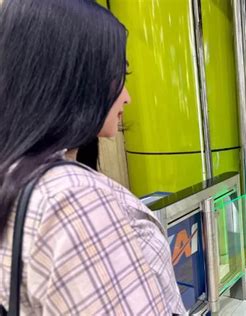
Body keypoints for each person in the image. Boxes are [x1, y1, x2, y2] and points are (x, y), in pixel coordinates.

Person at [0, 0, 185, 314]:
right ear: (72, 76)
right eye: (119, 74)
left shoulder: (14, 174)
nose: (127, 96)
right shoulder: (74, 199)